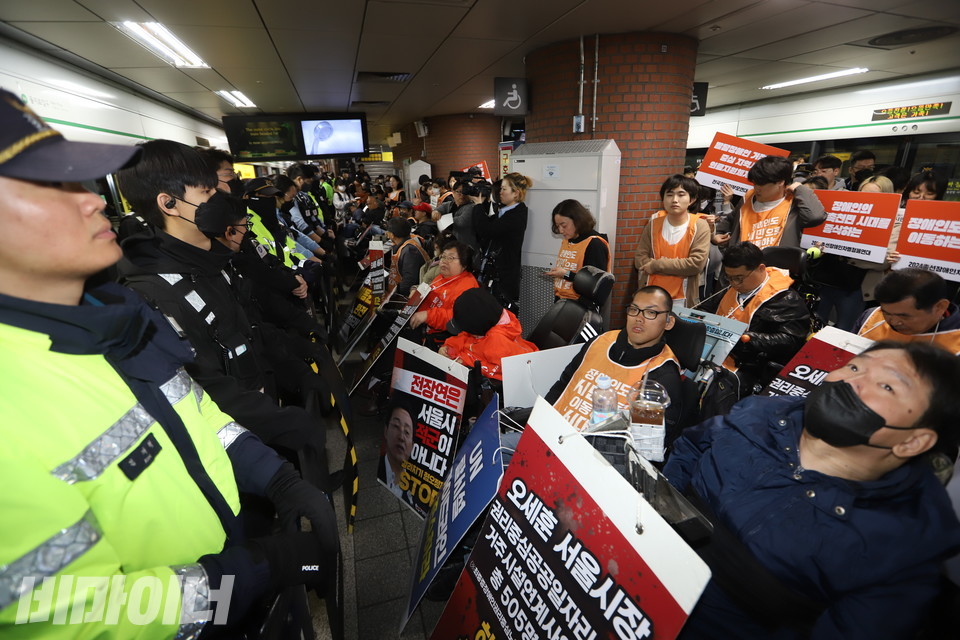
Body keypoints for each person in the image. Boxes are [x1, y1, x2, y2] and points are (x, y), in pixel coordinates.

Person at [0, 90, 337, 637]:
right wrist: (248, 572)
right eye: (51, 186)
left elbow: (193, 407)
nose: (90, 201)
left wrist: (271, 475)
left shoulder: (112, 317)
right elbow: (72, 618)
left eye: (79, 182)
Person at [665, 341, 960, 639]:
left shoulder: (904, 545)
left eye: (886, 386)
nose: (850, 380)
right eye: (855, 366)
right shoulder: (757, 414)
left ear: (913, 441)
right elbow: (692, 446)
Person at [115, 140, 333, 488]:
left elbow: (245, 329)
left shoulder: (211, 263)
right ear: (169, 204)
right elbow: (204, 390)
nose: (220, 199)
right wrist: (280, 423)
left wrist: (293, 359)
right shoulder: (155, 293)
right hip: (238, 461)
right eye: (206, 193)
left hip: (265, 415)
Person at [547, 286, 683, 436]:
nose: (639, 318)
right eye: (634, 309)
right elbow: (562, 385)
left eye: (651, 312)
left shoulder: (661, 376)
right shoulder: (600, 341)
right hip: (549, 431)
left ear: (668, 322)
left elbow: (643, 443)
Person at [700, 242, 810, 394]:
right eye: (729, 278)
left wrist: (750, 339)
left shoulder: (786, 299)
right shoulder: (731, 289)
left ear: (761, 269)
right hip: (718, 354)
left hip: (752, 366)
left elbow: (791, 340)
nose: (734, 284)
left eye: (739, 278)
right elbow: (705, 311)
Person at [713, 155, 825, 251]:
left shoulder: (794, 202)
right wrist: (716, 235)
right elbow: (729, 221)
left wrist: (800, 189)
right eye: (754, 183)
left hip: (776, 272)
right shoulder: (747, 198)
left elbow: (815, 217)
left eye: (761, 184)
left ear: (781, 182)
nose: (756, 188)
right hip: (741, 268)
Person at [635, 175, 711, 307]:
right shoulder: (653, 224)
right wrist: (677, 267)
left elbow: (695, 264)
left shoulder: (700, 225)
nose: (675, 200)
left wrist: (655, 265)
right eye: (669, 195)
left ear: (691, 200)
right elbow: (640, 259)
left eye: (681, 195)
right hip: (651, 295)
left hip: (683, 299)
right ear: (663, 198)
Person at [441, 287, 537, 382]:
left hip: (521, 377)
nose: (467, 333)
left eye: (469, 330)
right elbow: (465, 338)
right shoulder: (490, 321)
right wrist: (449, 347)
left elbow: (502, 372)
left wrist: (466, 361)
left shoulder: (497, 344)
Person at [854, 268, 960, 353]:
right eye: (886, 313)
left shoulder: (956, 341)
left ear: (940, 307)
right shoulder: (871, 317)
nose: (894, 322)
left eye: (904, 316)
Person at [474, 172, 532, 311]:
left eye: (504, 189)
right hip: (494, 275)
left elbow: (487, 230)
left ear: (515, 193)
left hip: (504, 278)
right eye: (500, 189)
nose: (500, 192)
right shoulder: (504, 211)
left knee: (501, 318)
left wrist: (477, 206)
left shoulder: (516, 215)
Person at [409, 242, 479, 350]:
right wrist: (416, 294)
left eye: (451, 258)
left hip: (443, 342)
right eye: (443, 256)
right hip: (422, 330)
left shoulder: (468, 287)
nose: (444, 261)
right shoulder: (441, 277)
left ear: (464, 265)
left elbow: (457, 319)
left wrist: (428, 316)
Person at [543, 199, 611, 301]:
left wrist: (565, 274)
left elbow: (595, 283)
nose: (561, 230)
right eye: (558, 226)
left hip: (581, 305)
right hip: (562, 300)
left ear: (578, 220)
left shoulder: (595, 244)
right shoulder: (568, 240)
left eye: (564, 225)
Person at [378, 402, 415, 504]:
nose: (401, 437)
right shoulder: (378, 472)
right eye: (396, 426)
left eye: (407, 432)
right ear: (386, 431)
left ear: (412, 445)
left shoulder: (417, 490)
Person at [385, 217, 429, 299]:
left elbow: (409, 282)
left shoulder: (409, 251)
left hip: (404, 296)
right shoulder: (407, 243)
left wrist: (394, 296)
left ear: (392, 235)